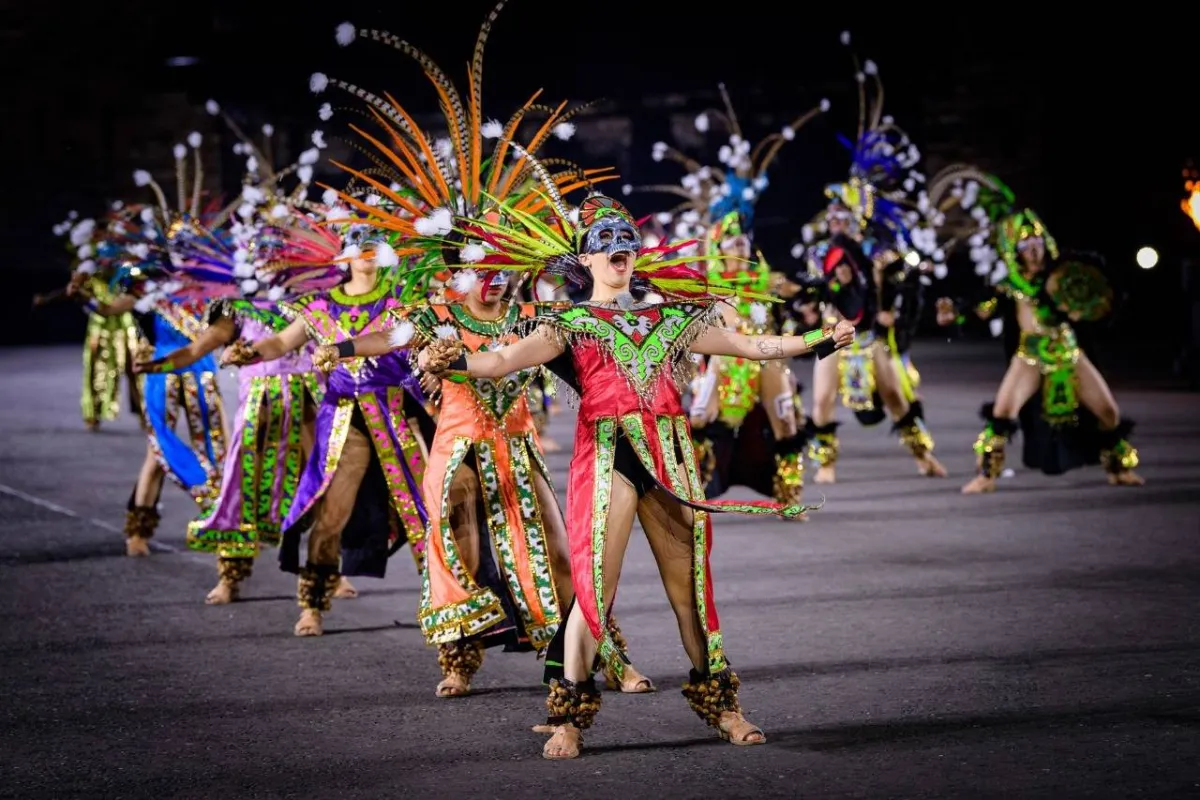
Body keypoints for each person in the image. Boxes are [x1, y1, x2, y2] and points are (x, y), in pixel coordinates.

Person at [417, 190, 853, 759]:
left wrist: (818, 339)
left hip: (670, 460)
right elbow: (499, 361)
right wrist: (455, 360)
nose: (620, 248)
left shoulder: (670, 317)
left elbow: (749, 346)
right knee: (593, 593)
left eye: (627, 239)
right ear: (586, 258)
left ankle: (724, 706)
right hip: (606, 459)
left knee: (691, 592)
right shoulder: (566, 323)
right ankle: (569, 716)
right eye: (606, 241)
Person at [319, 265, 654, 697]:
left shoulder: (533, 317)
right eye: (483, 271)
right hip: (458, 449)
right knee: (461, 553)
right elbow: (389, 338)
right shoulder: (436, 317)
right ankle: (459, 662)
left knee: (560, 555)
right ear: (460, 274)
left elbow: (591, 323)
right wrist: (342, 347)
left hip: (516, 448)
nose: (494, 280)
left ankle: (609, 656)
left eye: (502, 270)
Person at [221, 222, 431, 636]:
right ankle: (313, 603)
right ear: (344, 256)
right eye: (360, 247)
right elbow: (281, 343)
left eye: (375, 247)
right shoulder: (320, 307)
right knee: (332, 511)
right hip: (344, 420)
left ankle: (441, 605)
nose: (368, 254)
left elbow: (412, 342)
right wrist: (247, 352)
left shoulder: (403, 300)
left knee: (425, 512)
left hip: (395, 414)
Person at [936, 207, 1142, 491]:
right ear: (1016, 251)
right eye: (1026, 246)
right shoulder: (1010, 286)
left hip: (1067, 351)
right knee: (1002, 412)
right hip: (1030, 356)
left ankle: (1119, 469)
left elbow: (1097, 299)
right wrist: (954, 315)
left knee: (1108, 412)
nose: (1034, 251)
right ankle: (986, 476)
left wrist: (1089, 306)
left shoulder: (1064, 276)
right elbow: (981, 311)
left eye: (1037, 244)